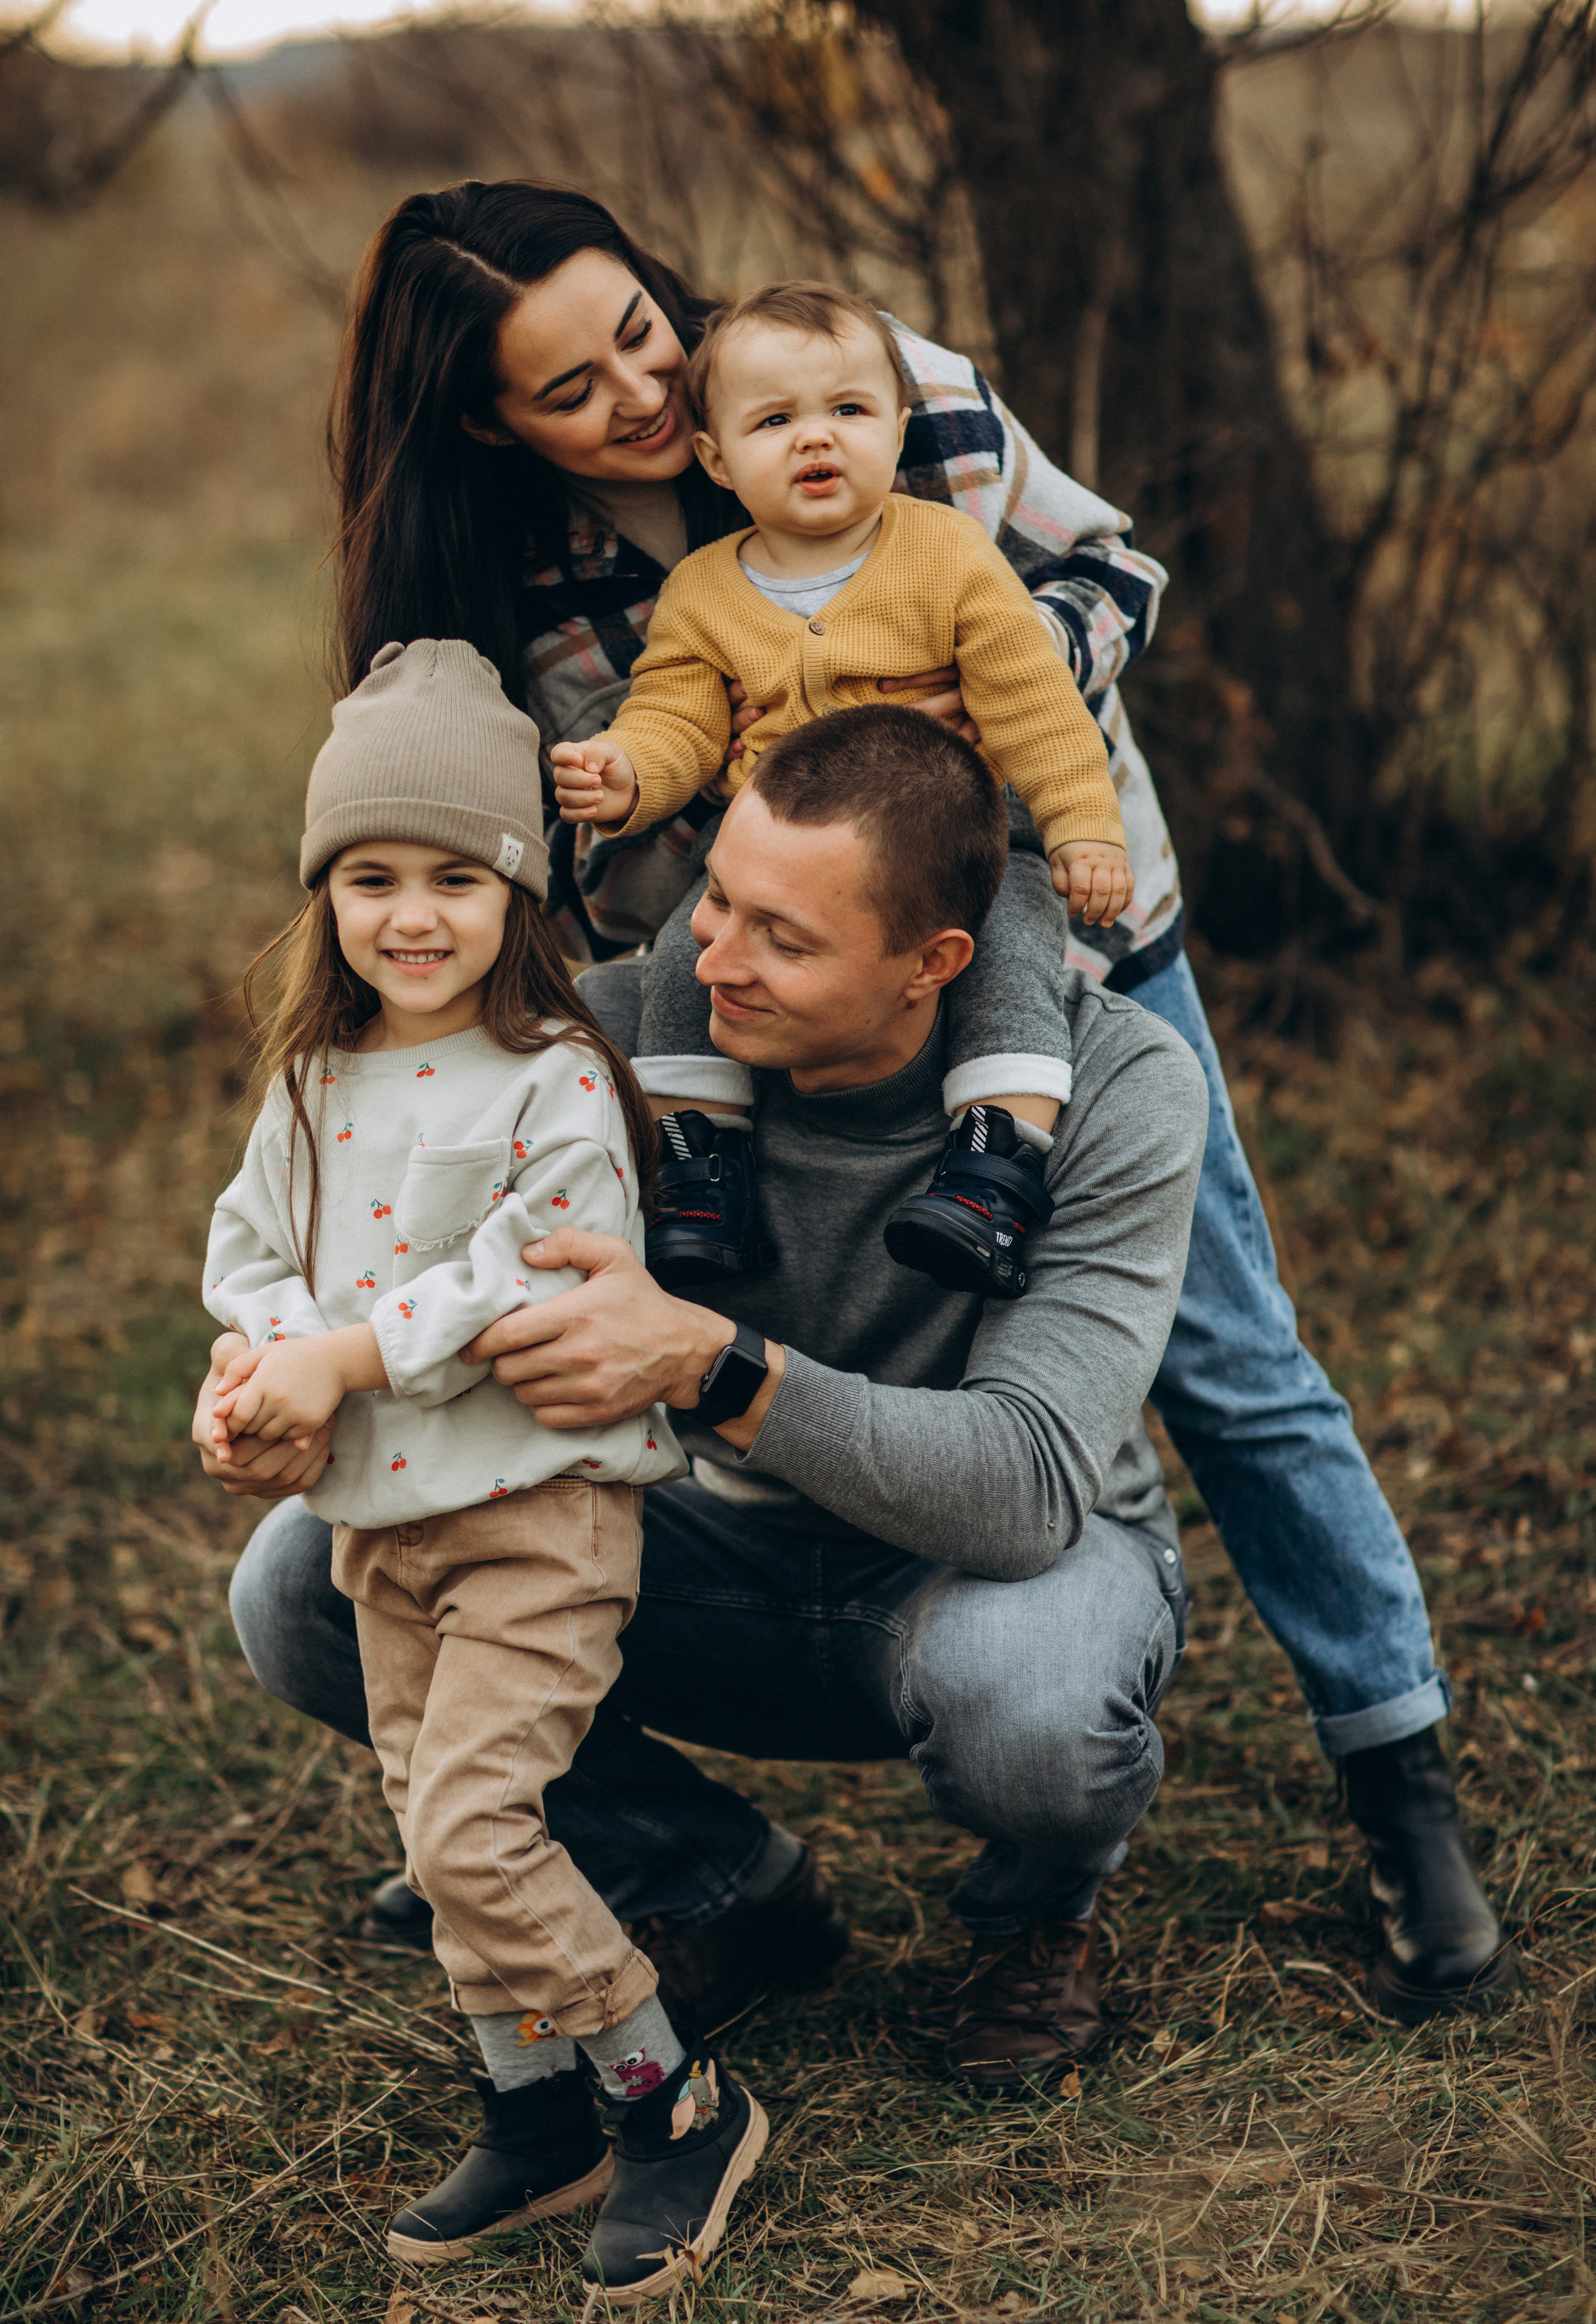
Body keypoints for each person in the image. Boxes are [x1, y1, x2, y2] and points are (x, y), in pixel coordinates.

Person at [239, 180, 1509, 2030]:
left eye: (644, 336)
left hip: (1055, 915)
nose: (647, 396)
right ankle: (531, 1792)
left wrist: (950, 718)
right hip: (763, 986)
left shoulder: (860, 377)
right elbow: (598, 813)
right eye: (575, 391)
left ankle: (1398, 1775)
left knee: (1229, 1353)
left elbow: (1117, 570)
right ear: (489, 426)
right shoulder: (528, 574)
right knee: (705, 1281)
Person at [210, 708, 1213, 2217]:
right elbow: (360, 1256)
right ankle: (713, 1884)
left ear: (932, 966)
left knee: (1040, 1700)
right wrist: (272, 1377)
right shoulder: (607, 1037)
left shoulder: (1115, 1090)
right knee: (306, 1585)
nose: (714, 959)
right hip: (692, 1547)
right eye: (718, 900)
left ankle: (1032, 1919)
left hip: (983, 1566)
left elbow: (1020, 1487)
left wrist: (708, 1364)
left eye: (783, 941)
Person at [200, 637, 767, 2301]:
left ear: (520, 888)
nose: (412, 913)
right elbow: (254, 1259)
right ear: (327, 895)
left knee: (467, 1829)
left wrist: (343, 1356)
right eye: (370, 877)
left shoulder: (559, 1082)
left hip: (539, 1516)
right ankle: (539, 2110)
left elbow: (523, 1274)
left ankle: (674, 2101)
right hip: (384, 1520)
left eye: (455, 874)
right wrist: (255, 1373)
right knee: (421, 1801)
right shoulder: (310, 1082)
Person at [551, 281, 1132, 1301]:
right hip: (773, 858)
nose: (816, 440)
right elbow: (678, 716)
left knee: (1009, 956)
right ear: (718, 460)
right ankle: (700, 1167)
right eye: (776, 421)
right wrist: (629, 771)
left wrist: (1085, 828)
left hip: (965, 837)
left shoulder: (946, 554)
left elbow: (1035, 705)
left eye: (849, 412)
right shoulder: (704, 591)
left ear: (898, 427)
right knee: (692, 961)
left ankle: (993, 1174)